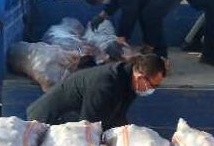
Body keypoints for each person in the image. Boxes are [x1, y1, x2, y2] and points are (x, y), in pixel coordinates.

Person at [26, 54, 166, 130]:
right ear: (140, 77)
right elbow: (88, 127)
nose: (152, 90)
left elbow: (117, 117)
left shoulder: (128, 82)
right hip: (46, 121)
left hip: (71, 119)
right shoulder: (105, 84)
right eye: (152, 85)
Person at [80, 0, 188, 59]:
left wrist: (122, 37)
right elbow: (116, 1)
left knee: (150, 15)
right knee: (146, 13)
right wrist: (100, 17)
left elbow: (129, 11)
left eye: (101, 0)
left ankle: (160, 56)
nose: (103, 1)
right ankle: (150, 47)